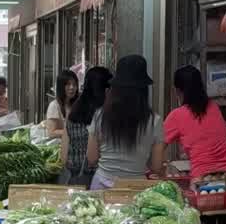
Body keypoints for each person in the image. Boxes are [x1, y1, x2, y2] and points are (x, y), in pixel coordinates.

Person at [87, 54, 164, 189]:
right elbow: (156, 167)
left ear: (115, 88)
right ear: (144, 89)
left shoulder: (100, 116)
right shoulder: (154, 121)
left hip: (101, 187)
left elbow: (91, 158)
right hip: (135, 189)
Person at [163, 66, 226, 181]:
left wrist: (165, 165)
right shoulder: (213, 107)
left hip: (202, 179)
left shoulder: (177, 115)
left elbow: (157, 147)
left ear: (178, 90)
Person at [60, 67, 111, 186]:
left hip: (75, 179)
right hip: (101, 179)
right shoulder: (104, 114)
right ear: (105, 89)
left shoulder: (73, 111)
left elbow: (63, 156)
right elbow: (94, 158)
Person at [44, 70, 78, 138]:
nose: (72, 87)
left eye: (74, 84)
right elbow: (51, 132)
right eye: (68, 84)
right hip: (59, 146)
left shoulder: (76, 105)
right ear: (61, 86)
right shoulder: (54, 106)